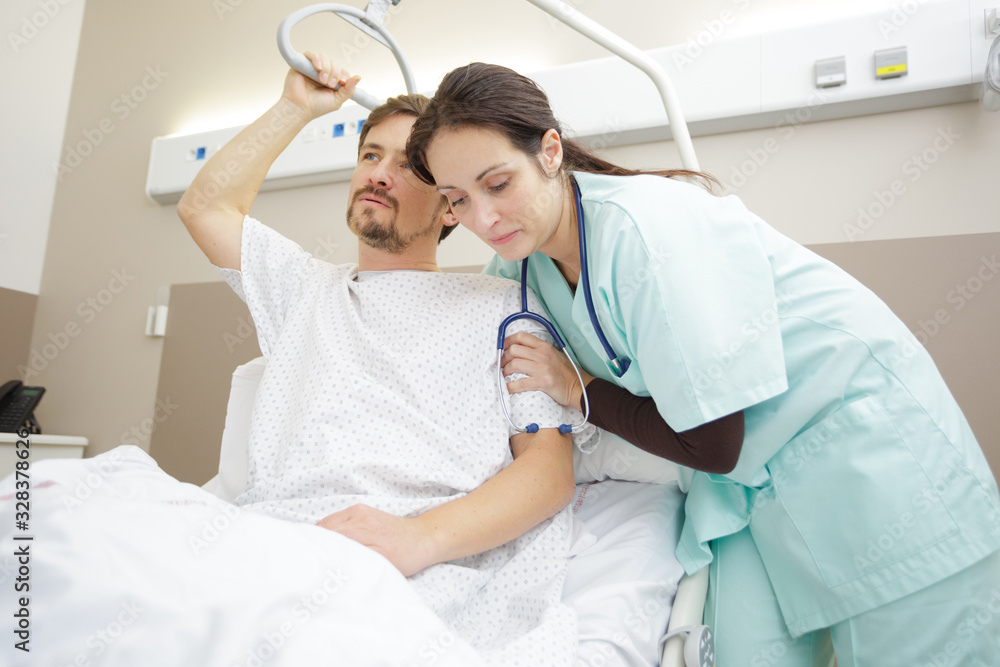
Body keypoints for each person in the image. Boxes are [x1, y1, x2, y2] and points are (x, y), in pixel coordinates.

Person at [404, 61, 1000, 666]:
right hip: (746, 490)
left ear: (550, 151)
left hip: (863, 449)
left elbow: (714, 441)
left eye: (498, 184)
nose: (484, 219)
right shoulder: (521, 268)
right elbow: (471, 361)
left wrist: (579, 387)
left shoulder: (646, 231)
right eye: (457, 201)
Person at [176, 53, 595, 665]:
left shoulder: (505, 308)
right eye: (370, 155)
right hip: (280, 543)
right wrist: (296, 107)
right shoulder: (304, 290)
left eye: (406, 167)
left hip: (423, 558)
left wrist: (416, 540)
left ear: (451, 206)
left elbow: (547, 473)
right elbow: (206, 208)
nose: (379, 174)